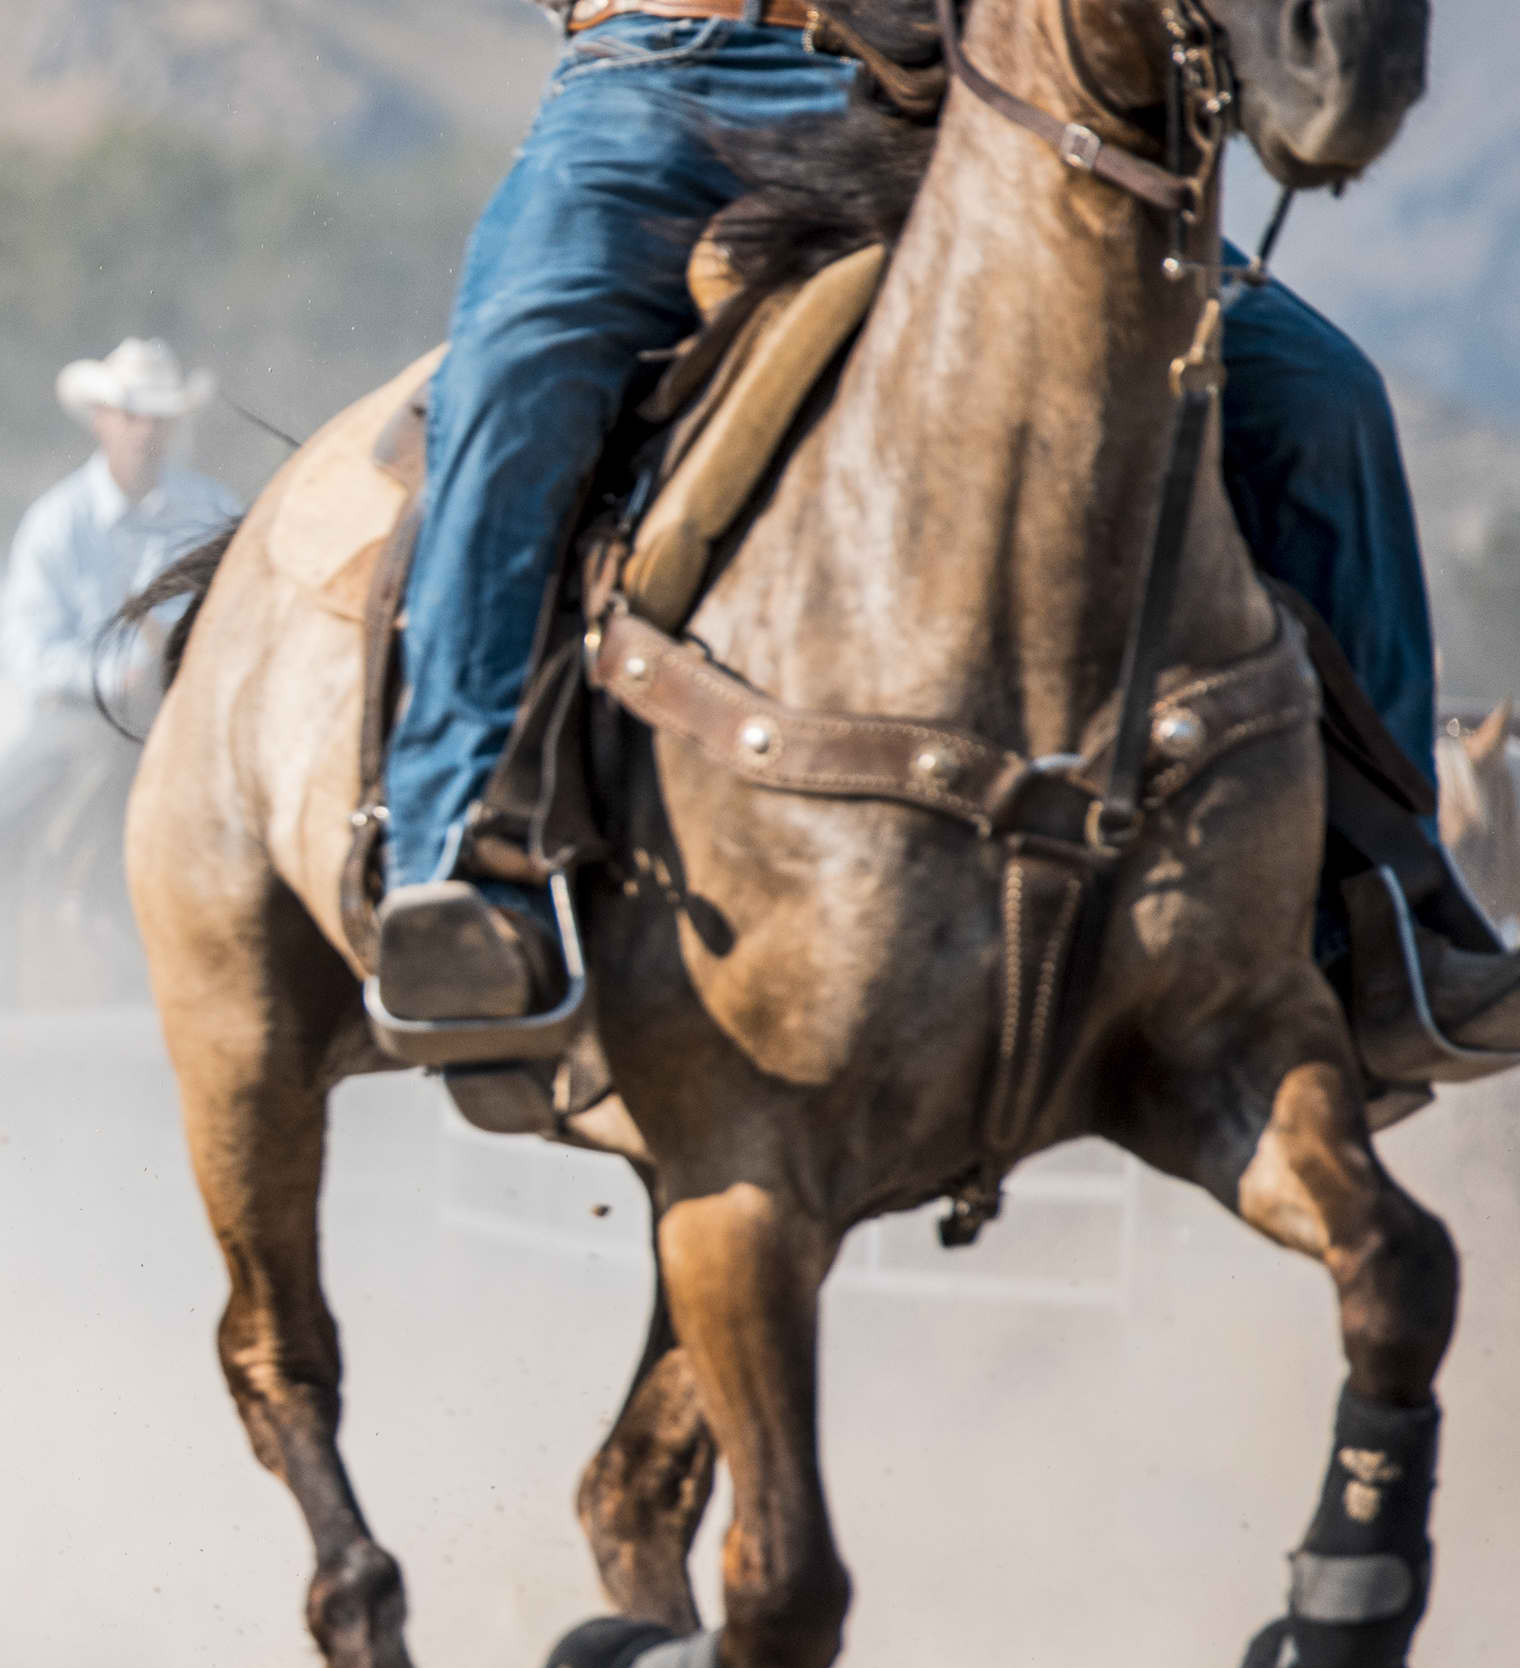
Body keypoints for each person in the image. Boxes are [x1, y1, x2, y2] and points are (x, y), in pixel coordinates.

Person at [371, 0, 1437, 1020]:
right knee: (521, 365)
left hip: (965, 103)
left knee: (1316, 400)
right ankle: (457, 860)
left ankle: (1384, 910)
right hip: (678, 69)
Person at [0, 338, 240, 1003]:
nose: (145, 430)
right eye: (132, 414)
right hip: (81, 717)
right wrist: (116, 674)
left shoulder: (211, 509)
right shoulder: (58, 521)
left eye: (157, 416)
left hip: (187, 717)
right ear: (102, 419)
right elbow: (28, 648)